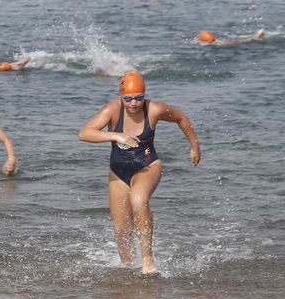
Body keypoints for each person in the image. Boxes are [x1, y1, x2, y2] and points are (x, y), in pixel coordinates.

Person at [77, 71, 200, 275]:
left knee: (139, 199)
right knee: (122, 229)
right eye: (128, 98)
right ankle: (127, 271)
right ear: (121, 95)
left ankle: (147, 260)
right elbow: (84, 133)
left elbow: (181, 118)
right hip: (118, 173)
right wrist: (116, 136)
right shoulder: (111, 110)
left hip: (147, 166)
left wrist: (195, 147)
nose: (134, 103)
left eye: (139, 97)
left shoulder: (154, 109)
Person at [196, 29, 265, 46]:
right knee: (241, 40)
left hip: (225, 43)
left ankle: (256, 37)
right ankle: (256, 37)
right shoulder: (217, 41)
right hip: (224, 41)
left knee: (243, 41)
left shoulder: (215, 44)